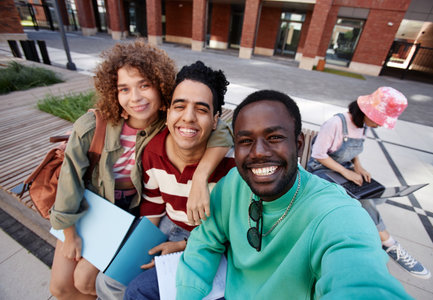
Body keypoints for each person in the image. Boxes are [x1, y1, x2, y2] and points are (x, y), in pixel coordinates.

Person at [175, 90, 413, 299]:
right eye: (246, 140)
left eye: (275, 137)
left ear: (298, 145)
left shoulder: (335, 212)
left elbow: (360, 276)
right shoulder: (232, 183)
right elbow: (204, 241)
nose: (258, 152)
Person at [48, 42, 233, 300]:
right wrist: (69, 234)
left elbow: (221, 129)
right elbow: (70, 183)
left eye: (144, 85)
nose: (135, 97)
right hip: (94, 208)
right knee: (61, 287)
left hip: (132, 213)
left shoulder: (167, 124)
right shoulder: (96, 124)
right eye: (124, 89)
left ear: (161, 90)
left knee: (88, 279)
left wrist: (200, 176)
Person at [108, 61, 235, 300]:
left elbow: (231, 232)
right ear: (167, 112)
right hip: (168, 225)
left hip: (207, 240)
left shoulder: (231, 166)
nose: (188, 117)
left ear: (216, 119)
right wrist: (140, 250)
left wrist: (182, 247)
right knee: (109, 282)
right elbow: (153, 206)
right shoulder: (153, 152)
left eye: (201, 109)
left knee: (140, 291)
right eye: (180, 106)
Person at [306, 86, 430, 279]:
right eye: (380, 120)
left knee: (374, 191)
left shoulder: (363, 125)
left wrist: (358, 167)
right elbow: (319, 155)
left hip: (343, 169)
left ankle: (367, 228)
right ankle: (388, 243)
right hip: (321, 170)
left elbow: (353, 153)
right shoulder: (336, 123)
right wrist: (346, 172)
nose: (380, 126)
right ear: (366, 111)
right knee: (363, 200)